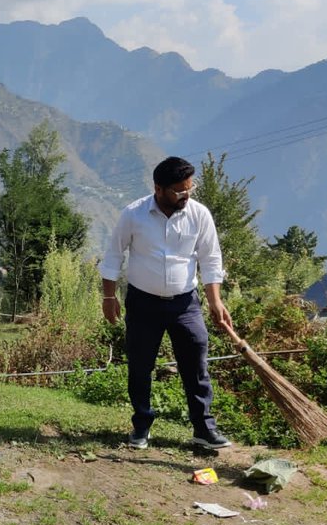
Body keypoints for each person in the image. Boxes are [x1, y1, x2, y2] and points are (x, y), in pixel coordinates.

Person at [98, 156, 235, 451]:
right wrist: (109, 296)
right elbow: (113, 255)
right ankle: (141, 426)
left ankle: (204, 428)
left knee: (196, 361)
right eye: (179, 191)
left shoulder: (199, 214)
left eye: (189, 189)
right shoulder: (133, 214)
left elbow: (211, 259)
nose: (186, 195)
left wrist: (215, 300)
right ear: (158, 189)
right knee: (140, 365)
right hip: (143, 303)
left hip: (185, 304)